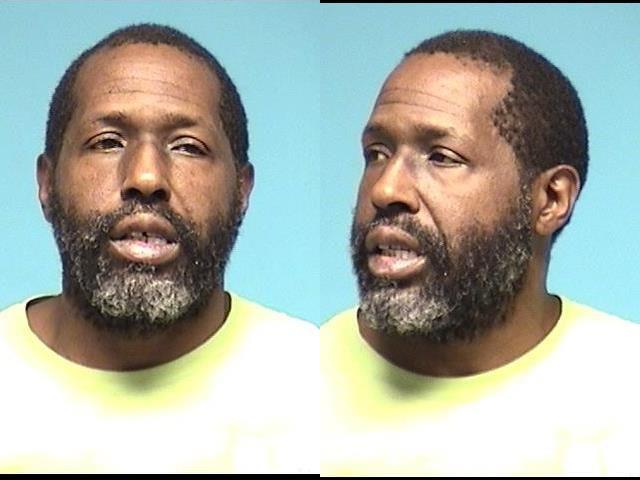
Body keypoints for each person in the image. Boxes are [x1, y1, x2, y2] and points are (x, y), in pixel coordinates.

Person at [0, 23, 317, 473]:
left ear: (241, 191)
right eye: (107, 142)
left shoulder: (320, 387)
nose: (146, 177)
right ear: (47, 184)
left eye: (188, 147)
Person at [321, 29, 640, 476]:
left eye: (441, 157)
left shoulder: (627, 395)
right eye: (377, 153)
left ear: (550, 199)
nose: (386, 189)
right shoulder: (288, 387)